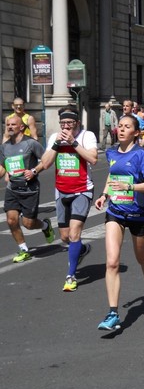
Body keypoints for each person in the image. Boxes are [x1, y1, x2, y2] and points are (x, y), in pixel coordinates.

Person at [94, 114, 144, 331]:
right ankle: (113, 313)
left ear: (136, 132)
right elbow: (112, 176)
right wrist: (104, 194)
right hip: (116, 213)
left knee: (142, 258)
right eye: (120, 126)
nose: (121, 129)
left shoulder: (141, 155)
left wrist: (130, 188)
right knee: (112, 262)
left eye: (127, 126)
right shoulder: (111, 152)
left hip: (138, 214)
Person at [41, 107, 97, 291]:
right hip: (61, 191)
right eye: (63, 124)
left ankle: (70, 276)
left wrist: (73, 143)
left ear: (77, 124)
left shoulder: (86, 136)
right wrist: (57, 144)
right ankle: (81, 250)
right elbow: (46, 163)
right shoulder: (54, 138)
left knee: (74, 233)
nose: (66, 127)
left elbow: (93, 159)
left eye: (69, 124)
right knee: (65, 236)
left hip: (82, 190)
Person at [0, 116, 54, 263]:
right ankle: (24, 249)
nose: (10, 127)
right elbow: (2, 168)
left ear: (21, 127)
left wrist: (34, 171)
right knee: (11, 220)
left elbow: (46, 161)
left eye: (13, 124)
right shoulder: (4, 147)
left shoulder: (31, 143)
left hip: (29, 189)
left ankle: (45, 225)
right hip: (12, 189)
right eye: (8, 125)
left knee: (28, 224)